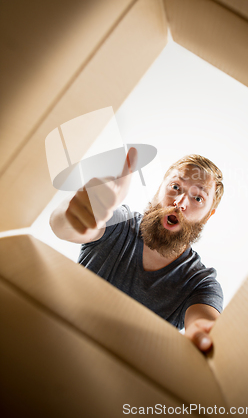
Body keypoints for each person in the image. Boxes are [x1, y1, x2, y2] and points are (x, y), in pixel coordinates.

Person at [50, 148, 224, 353]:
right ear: (160, 188)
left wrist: (206, 335)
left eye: (198, 198)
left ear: (208, 215)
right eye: (175, 186)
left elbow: (203, 323)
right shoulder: (117, 223)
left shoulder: (200, 284)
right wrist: (76, 213)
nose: (180, 203)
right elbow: (62, 225)